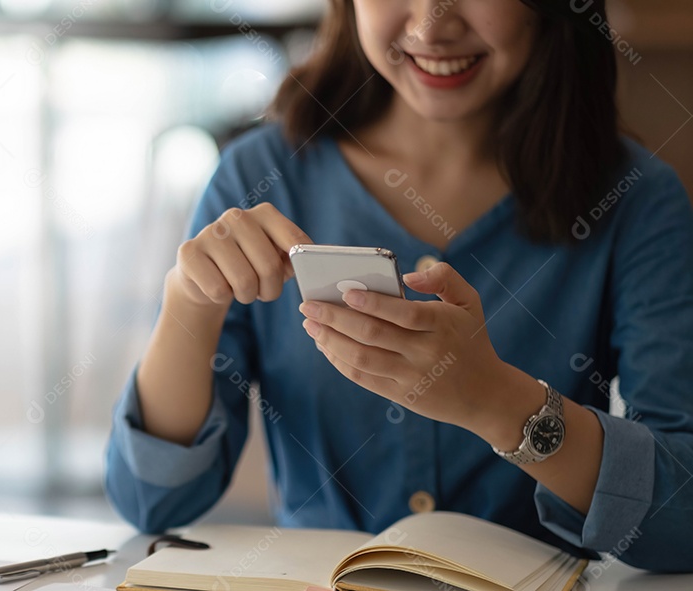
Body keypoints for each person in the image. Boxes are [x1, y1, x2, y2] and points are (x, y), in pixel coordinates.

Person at [104, 0, 693, 573]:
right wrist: (188, 302)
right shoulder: (257, 176)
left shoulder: (637, 202)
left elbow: (683, 520)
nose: (431, 26)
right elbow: (152, 503)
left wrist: (498, 402)